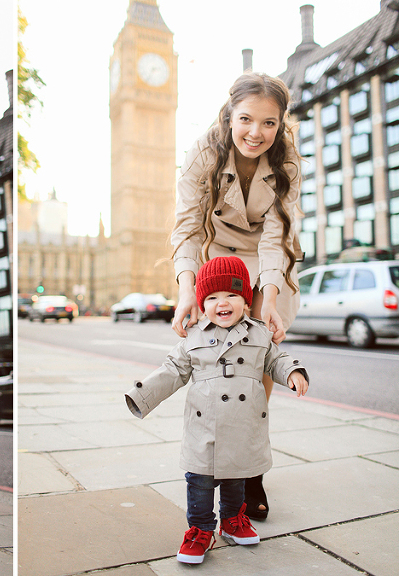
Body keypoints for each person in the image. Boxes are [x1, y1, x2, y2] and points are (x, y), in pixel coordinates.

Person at [170, 72, 303, 519]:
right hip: (219, 254)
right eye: (246, 119)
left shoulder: (288, 162)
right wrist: (188, 288)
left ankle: (249, 471)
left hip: (269, 260)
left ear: (280, 123)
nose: (256, 133)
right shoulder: (202, 155)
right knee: (218, 356)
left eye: (269, 123)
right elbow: (187, 226)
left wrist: (268, 297)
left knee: (258, 355)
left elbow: (276, 236)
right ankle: (213, 459)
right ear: (230, 116)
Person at [125, 256, 309, 565]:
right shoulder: (194, 336)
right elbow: (172, 371)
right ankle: (199, 529)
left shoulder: (259, 334)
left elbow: (276, 359)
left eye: (231, 295)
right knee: (199, 482)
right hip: (204, 428)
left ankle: (233, 519)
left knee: (236, 477)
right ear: (202, 303)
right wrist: (141, 396)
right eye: (212, 297)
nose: (221, 303)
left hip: (242, 425)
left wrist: (293, 372)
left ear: (246, 301)